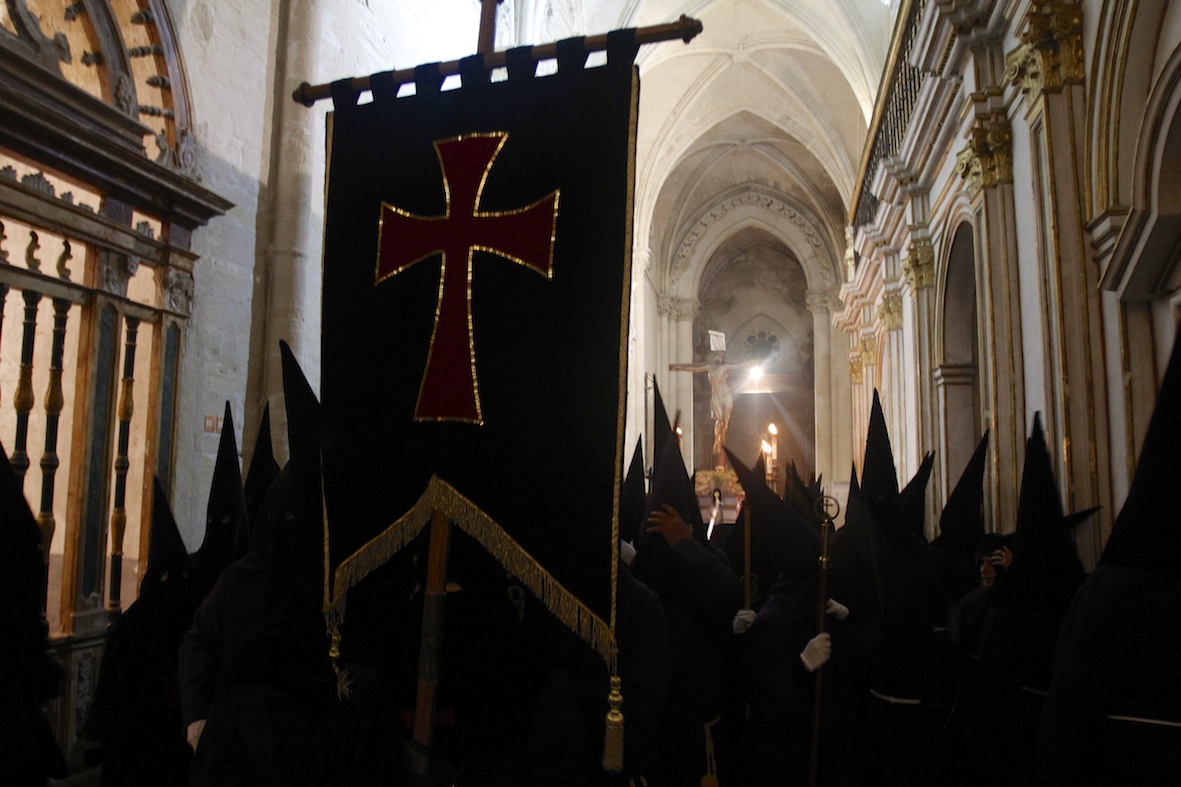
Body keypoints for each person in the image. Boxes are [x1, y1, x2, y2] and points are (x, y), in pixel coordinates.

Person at [670, 352, 758, 468]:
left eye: (720, 357)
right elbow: (695, 369)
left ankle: (721, 441)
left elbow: (738, 366)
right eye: (716, 356)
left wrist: (751, 364)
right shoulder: (709, 368)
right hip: (716, 398)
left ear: (722, 360)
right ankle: (717, 441)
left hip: (726, 397)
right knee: (720, 419)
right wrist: (680, 368)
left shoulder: (725, 367)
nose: (717, 359)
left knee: (725, 424)